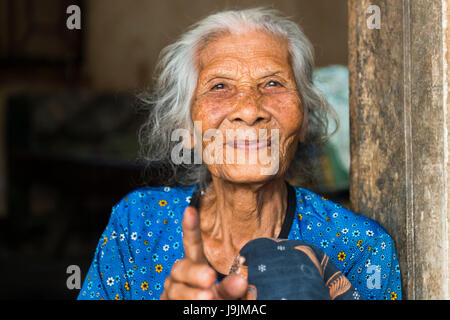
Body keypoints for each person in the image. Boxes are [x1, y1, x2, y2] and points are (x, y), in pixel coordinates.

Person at [78, 7, 402, 300]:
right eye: (220, 86)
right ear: (187, 129)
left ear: (304, 119)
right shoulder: (138, 224)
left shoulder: (361, 248)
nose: (249, 110)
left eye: (273, 83)